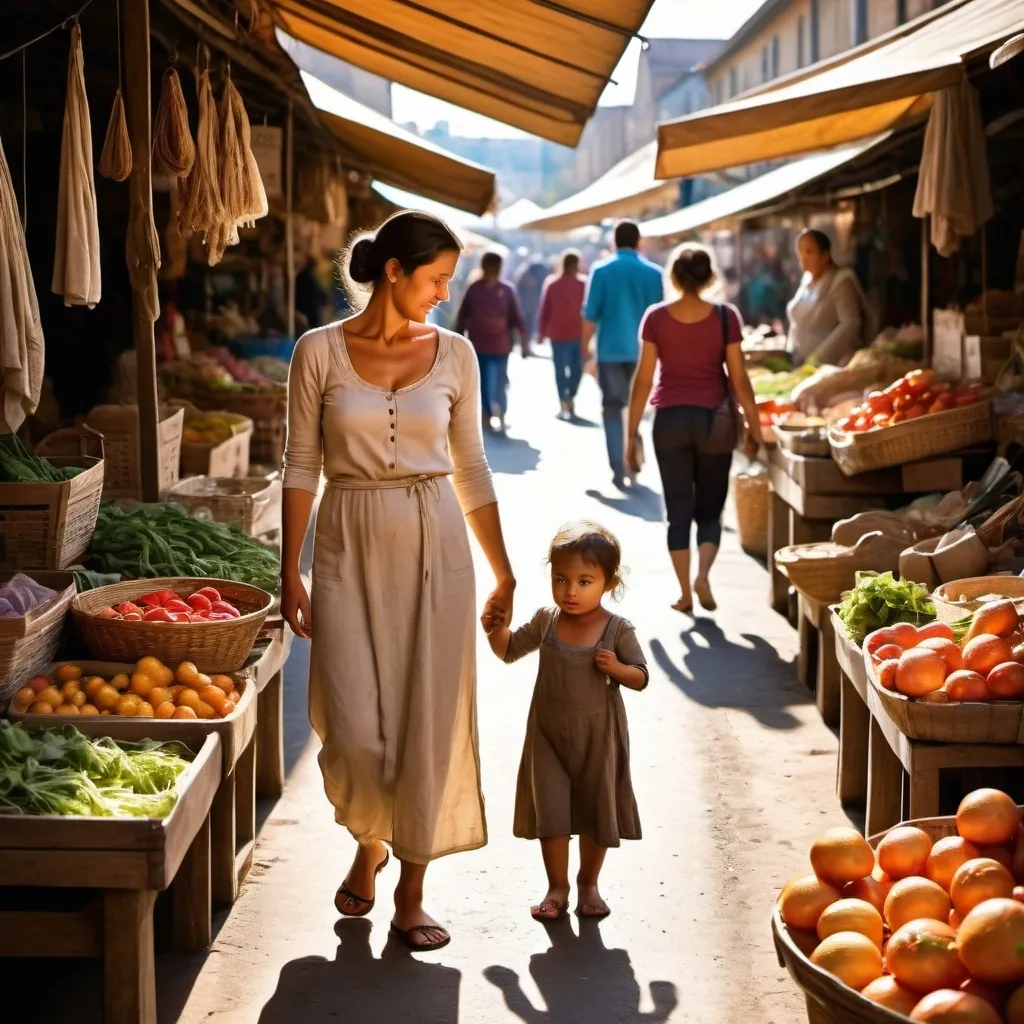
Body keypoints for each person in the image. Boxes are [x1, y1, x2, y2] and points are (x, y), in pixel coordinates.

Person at [281, 210, 517, 952]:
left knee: (428, 718)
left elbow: (471, 466)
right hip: (346, 543)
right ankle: (370, 839)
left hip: (434, 542)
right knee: (355, 729)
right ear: (394, 271)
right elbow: (300, 466)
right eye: (437, 278)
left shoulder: (455, 356)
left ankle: (409, 892)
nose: (446, 293)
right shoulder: (316, 352)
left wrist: (503, 571)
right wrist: (289, 567)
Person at [482, 521, 648, 922]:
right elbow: (508, 651)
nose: (571, 591)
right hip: (548, 738)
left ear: (608, 583)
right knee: (552, 816)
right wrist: (493, 629)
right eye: (561, 579)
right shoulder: (547, 621)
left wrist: (618, 669)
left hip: (598, 739)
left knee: (594, 812)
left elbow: (641, 677)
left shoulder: (616, 629)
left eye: (584, 581)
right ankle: (557, 886)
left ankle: (589, 883)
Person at [625, 244, 762, 615]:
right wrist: (754, 424)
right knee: (710, 510)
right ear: (710, 277)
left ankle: (685, 593)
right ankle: (704, 575)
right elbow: (739, 378)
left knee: (677, 511)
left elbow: (642, 380)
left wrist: (630, 432)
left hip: (669, 421)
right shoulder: (725, 317)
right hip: (715, 422)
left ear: (673, 276)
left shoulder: (655, 317)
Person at [582, 221, 664, 490]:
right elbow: (661, 317)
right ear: (638, 241)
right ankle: (632, 457)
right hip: (645, 353)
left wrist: (584, 349)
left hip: (610, 351)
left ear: (614, 242)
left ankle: (618, 466)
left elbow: (590, 313)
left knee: (612, 408)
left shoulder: (601, 270)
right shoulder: (654, 274)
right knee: (636, 406)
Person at [455, 251, 528, 435]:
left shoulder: (507, 290)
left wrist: (524, 342)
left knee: (500, 381)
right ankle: (487, 414)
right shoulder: (474, 289)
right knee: (484, 382)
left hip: (501, 346)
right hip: (479, 345)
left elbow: (516, 318)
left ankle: (501, 413)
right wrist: (456, 344)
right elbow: (462, 317)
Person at [786, 229, 866, 366]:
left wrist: (817, 359)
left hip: (831, 366)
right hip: (800, 364)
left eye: (809, 252)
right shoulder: (806, 280)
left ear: (825, 255)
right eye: (800, 252)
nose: (803, 258)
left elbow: (850, 323)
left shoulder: (841, 280)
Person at [538, 249, 586, 419]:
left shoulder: (581, 284)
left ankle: (567, 399)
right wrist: (542, 331)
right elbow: (545, 309)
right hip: (570, 334)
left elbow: (545, 309)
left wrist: (542, 332)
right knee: (573, 369)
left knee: (568, 370)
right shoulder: (555, 283)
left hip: (566, 334)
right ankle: (567, 398)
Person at [516, 255, 550, 353]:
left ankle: (527, 346)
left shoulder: (536, 276)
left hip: (532, 307)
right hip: (524, 306)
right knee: (524, 327)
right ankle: (524, 346)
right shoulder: (524, 276)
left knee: (529, 327)